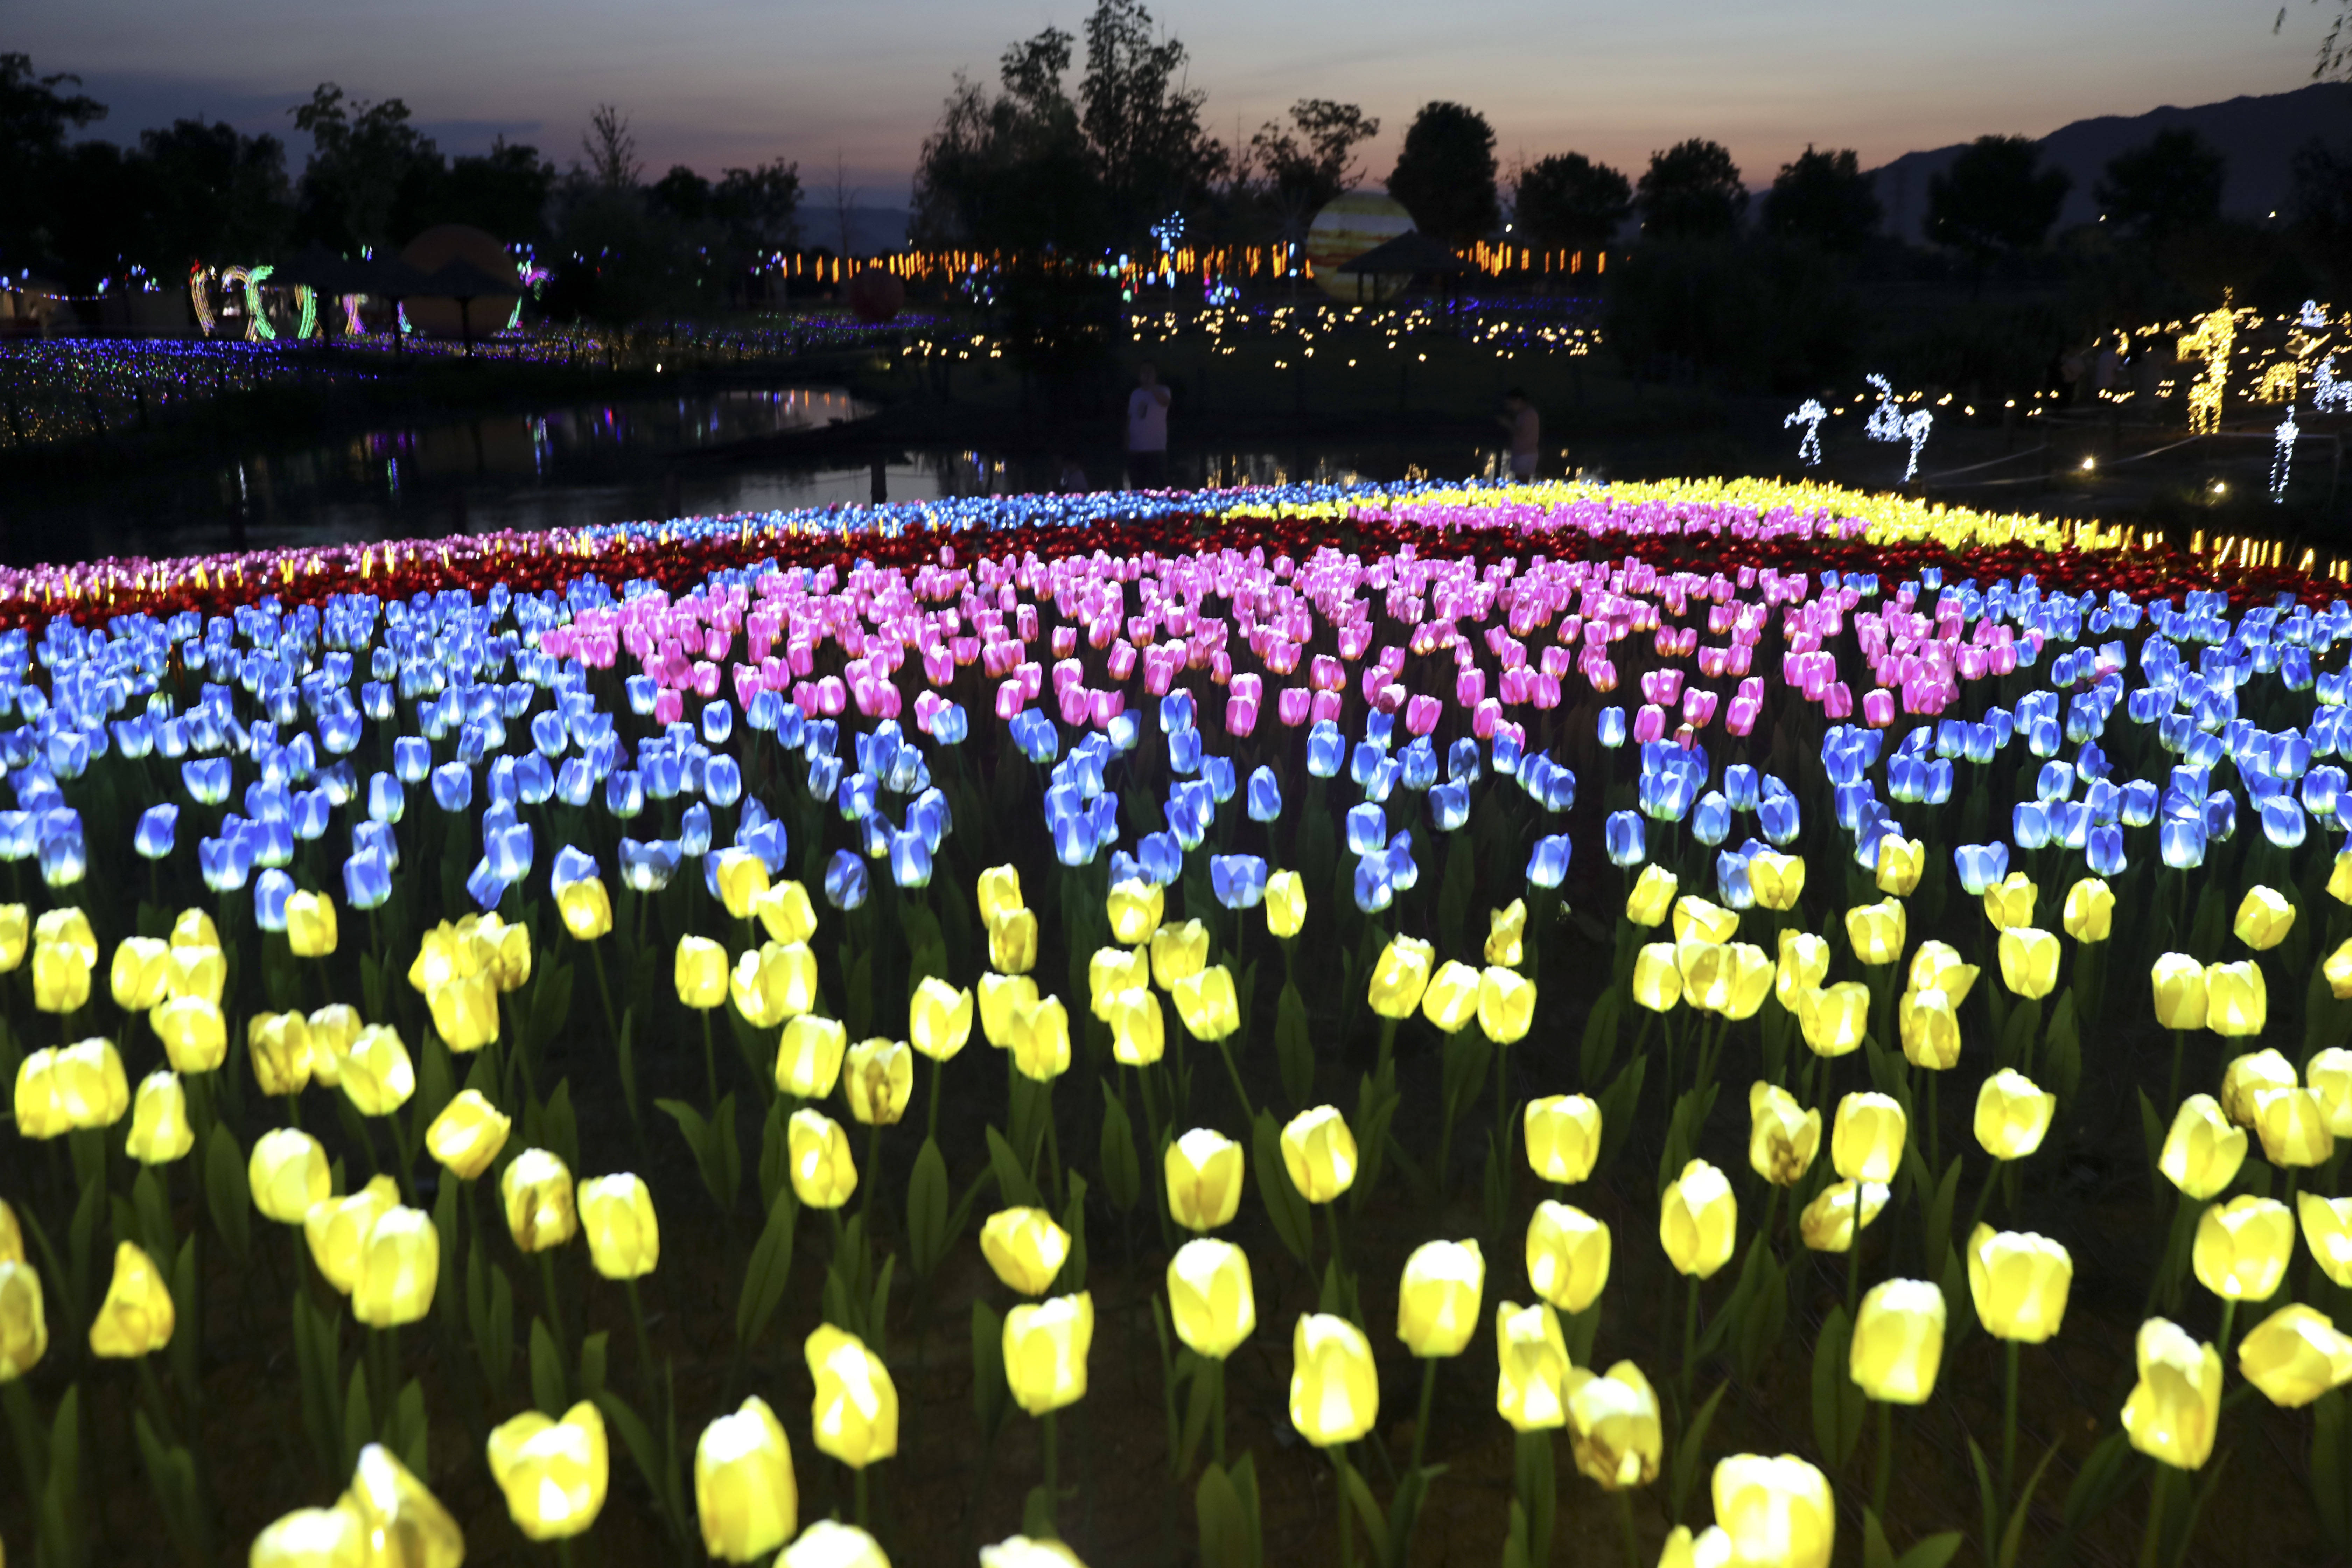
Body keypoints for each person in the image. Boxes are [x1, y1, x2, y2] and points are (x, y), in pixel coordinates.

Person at [1126, 362, 1171, 489]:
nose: (1146, 375)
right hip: (1136, 448)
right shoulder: (1136, 394)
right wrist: (1127, 441)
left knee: (1159, 487)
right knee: (1137, 486)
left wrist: (1152, 388)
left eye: (1150, 372)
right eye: (1143, 372)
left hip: (1156, 448)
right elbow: (1130, 417)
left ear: (1155, 375)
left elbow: (1165, 402)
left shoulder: (1164, 391)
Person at [1497, 388, 1539, 482]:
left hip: (1526, 454)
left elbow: (1522, 433)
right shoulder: (1524, 414)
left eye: (1511, 404)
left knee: (1522, 483)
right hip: (1523, 453)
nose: (1510, 407)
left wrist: (1507, 424)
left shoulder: (1528, 414)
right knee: (1520, 481)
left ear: (1519, 401)